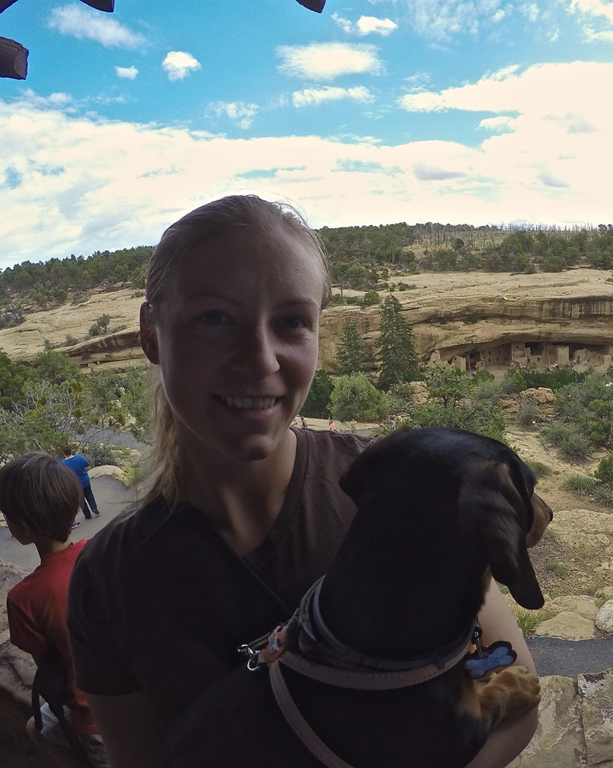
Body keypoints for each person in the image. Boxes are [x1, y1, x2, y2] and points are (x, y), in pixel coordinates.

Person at [67, 195, 538, 768]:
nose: (260, 359)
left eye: (291, 321)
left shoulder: (402, 486)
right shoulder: (111, 580)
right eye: (214, 318)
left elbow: (514, 692)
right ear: (150, 334)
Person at [0, 452, 109, 768]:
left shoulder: (24, 597)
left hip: (94, 715)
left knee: (37, 728)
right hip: (143, 691)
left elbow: (47, 665)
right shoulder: (103, 552)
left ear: (23, 529)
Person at [61, 446, 101, 520]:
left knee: (81, 500)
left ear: (64, 453)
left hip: (75, 485)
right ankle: (94, 508)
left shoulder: (62, 464)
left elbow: (62, 475)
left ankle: (87, 515)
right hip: (85, 481)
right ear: (71, 451)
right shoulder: (79, 458)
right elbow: (87, 464)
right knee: (89, 494)